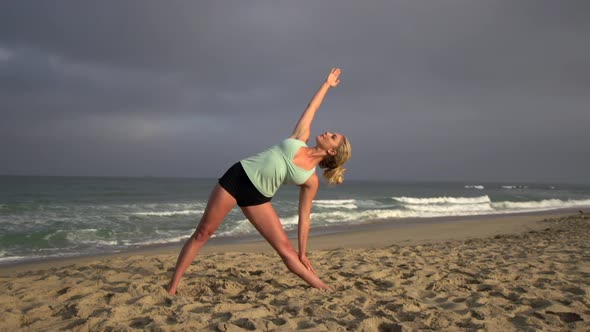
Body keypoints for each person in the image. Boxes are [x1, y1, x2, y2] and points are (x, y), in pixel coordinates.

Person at [166, 67, 351, 295]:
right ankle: (172, 287)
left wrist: (303, 252)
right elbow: (312, 107)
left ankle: (323, 287)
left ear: (332, 152)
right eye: (332, 132)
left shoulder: (310, 180)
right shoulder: (300, 138)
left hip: (258, 198)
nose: (328, 132)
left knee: (286, 251)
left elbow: (304, 217)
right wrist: (326, 85)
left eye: (332, 137)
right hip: (237, 177)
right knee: (203, 232)